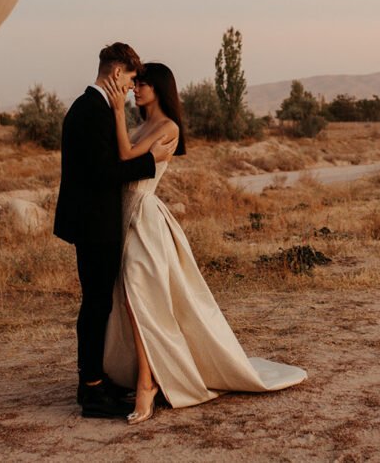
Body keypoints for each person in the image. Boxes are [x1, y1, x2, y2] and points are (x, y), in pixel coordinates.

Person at [100, 62, 307, 425]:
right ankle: (148, 375)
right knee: (132, 299)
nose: (135, 89)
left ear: (159, 88)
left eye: (142, 84)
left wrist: (116, 111)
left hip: (145, 218)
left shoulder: (168, 127)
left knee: (138, 294)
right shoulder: (142, 125)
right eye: (135, 84)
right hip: (125, 215)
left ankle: (147, 383)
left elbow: (127, 157)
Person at [53, 43, 177, 419]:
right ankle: (90, 389)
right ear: (115, 73)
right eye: (128, 79)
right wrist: (150, 163)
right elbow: (103, 173)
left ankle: (96, 379)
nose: (130, 88)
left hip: (100, 220)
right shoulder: (92, 111)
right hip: (95, 223)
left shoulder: (93, 108)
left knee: (100, 303)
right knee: (95, 304)